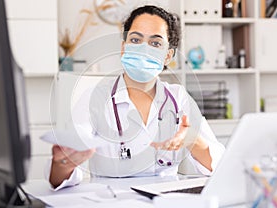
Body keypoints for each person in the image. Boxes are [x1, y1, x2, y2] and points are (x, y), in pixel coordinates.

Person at [48, 5, 225, 189]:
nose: (143, 49)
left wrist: (192, 139)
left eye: (155, 43)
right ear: (124, 47)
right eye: (135, 39)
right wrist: (64, 163)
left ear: (167, 56)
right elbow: (58, 179)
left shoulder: (178, 98)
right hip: (111, 201)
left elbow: (220, 166)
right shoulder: (95, 97)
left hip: (165, 200)